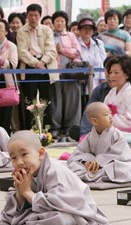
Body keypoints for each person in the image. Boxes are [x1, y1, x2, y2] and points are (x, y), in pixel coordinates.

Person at [0, 130, 128, 225]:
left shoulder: (55, 171)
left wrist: (27, 192)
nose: (20, 162)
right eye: (14, 158)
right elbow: (16, 208)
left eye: (24, 154)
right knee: (10, 217)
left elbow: (60, 203)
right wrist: (20, 190)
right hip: (44, 211)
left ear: (40, 153)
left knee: (60, 221)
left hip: (75, 214)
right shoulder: (30, 171)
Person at [68, 102, 131, 183]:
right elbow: (78, 153)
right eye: (106, 114)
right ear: (95, 121)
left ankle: (94, 174)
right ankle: (95, 173)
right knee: (73, 166)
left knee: (123, 171)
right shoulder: (90, 136)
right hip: (98, 167)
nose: (111, 117)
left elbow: (118, 155)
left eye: (110, 113)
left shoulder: (116, 134)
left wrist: (99, 161)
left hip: (115, 164)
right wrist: (85, 162)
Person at [17, 3, 58, 130]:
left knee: (46, 99)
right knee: (30, 99)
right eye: (30, 15)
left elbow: (52, 50)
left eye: (36, 15)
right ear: (27, 16)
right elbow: (22, 52)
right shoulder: (21, 31)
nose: (33, 18)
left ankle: (47, 129)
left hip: (45, 65)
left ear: (40, 16)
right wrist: (36, 63)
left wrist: (42, 62)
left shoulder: (46, 30)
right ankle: (30, 128)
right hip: (29, 66)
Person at [50, 10, 81, 141]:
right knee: (55, 101)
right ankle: (55, 128)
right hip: (54, 73)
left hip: (70, 73)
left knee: (71, 101)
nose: (60, 23)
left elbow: (77, 52)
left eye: (62, 21)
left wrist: (62, 50)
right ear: (53, 23)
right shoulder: (49, 36)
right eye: (57, 21)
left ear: (66, 23)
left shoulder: (71, 36)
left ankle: (70, 128)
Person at [103, 55, 131, 133]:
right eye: (111, 72)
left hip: (128, 134)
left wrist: (109, 120)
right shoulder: (111, 92)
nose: (112, 76)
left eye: (116, 72)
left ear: (127, 74)